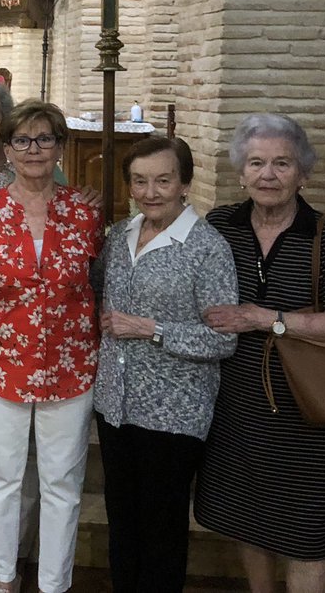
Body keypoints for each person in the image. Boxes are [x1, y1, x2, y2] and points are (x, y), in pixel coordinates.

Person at [195, 115, 325, 593]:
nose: (267, 175)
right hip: (236, 407)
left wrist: (265, 318)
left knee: (307, 536)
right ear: (241, 172)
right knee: (247, 521)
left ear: (303, 173)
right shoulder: (222, 226)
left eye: (282, 163)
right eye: (256, 163)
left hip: (308, 414)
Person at [0, 100, 103, 593]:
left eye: (45, 139)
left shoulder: (84, 213)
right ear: (9, 149)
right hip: (1, 366)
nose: (34, 149)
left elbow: (99, 286)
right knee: (1, 479)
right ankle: (3, 577)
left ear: (60, 147)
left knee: (62, 483)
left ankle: (54, 583)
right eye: (22, 140)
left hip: (71, 367)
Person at [92, 136, 238, 593]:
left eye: (163, 180)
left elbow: (223, 338)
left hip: (173, 412)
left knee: (161, 529)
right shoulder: (120, 235)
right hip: (115, 404)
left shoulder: (207, 247)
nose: (150, 192)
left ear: (185, 184)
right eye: (139, 181)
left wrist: (150, 328)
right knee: (122, 521)